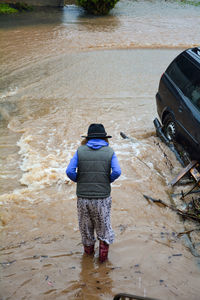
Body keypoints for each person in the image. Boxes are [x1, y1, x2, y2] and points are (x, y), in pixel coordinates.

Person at [66, 123, 121, 263]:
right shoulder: (110, 152)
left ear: (88, 138)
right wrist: (107, 180)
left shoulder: (80, 151)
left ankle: (88, 261)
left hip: (83, 198)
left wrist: (79, 180)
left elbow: (69, 171)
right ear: (104, 138)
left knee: (86, 228)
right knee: (103, 228)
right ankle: (102, 263)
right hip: (102, 198)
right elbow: (117, 171)